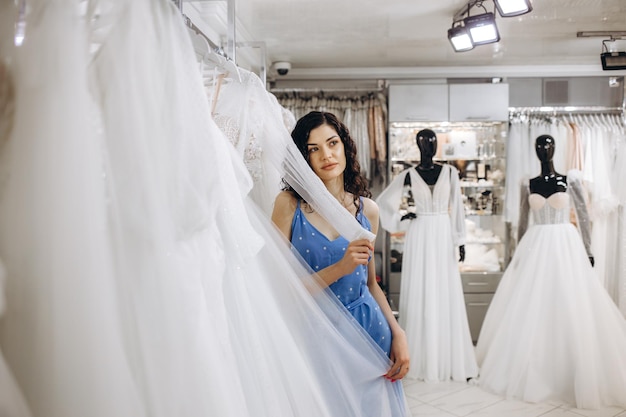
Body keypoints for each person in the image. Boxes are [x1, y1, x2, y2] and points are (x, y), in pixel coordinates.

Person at [475, 134, 626, 409]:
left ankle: (572, 369)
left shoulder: (571, 180)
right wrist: (516, 253)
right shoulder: (528, 183)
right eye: (539, 146)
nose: (544, 150)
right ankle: (535, 368)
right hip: (535, 246)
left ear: (556, 149)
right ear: (535, 151)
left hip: (566, 246)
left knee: (570, 302)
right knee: (534, 306)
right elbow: (522, 223)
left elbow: (582, 217)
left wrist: (589, 250)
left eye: (548, 146)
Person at [272, 111, 410, 383]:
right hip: (311, 335)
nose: (326, 155)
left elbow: (370, 285)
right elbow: (280, 291)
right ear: (303, 157)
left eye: (332, 143)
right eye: (314, 149)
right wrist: (341, 268)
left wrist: (398, 332)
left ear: (345, 146)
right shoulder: (288, 205)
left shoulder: (367, 210)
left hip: (369, 332)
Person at [375, 128, 478, 382]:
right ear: (418, 145)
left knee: (444, 290)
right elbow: (382, 203)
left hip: (442, 233)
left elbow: (458, 210)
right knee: (422, 289)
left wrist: (460, 240)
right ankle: (418, 358)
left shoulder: (451, 173)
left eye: (432, 141)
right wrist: (401, 218)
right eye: (423, 142)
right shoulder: (408, 175)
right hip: (419, 233)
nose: (428, 146)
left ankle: (447, 358)